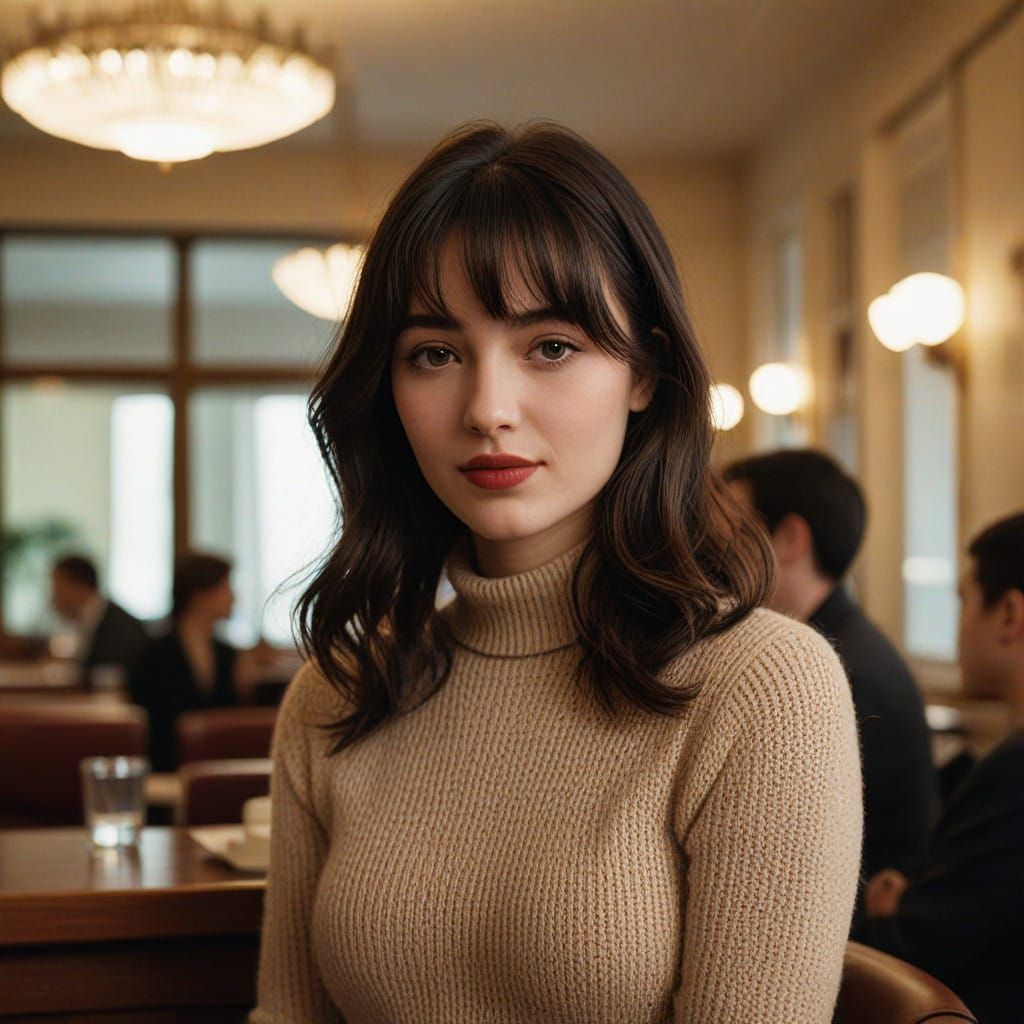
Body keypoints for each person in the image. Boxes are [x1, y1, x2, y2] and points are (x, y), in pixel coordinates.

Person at [251, 122, 862, 1024]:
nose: (487, 409)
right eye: (435, 354)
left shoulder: (763, 688)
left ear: (644, 371)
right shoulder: (339, 691)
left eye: (550, 346)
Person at [724, 450, 935, 881]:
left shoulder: (828, 670)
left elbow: (784, 856)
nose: (710, 553)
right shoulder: (836, 641)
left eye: (728, 531)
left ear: (789, 539)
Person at [855, 511, 1024, 1022]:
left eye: (965, 601)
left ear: (1011, 614)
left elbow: (921, 947)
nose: (960, 625)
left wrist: (890, 912)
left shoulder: (1016, 773)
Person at [129, 552, 239, 771]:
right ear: (199, 594)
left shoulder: (227, 654)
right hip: (165, 770)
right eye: (226, 587)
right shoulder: (154, 654)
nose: (234, 597)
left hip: (217, 767)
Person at [50, 553, 149, 687]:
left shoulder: (119, 624)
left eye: (57, 587)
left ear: (78, 586)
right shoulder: (93, 617)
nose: (52, 598)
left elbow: (119, 674)